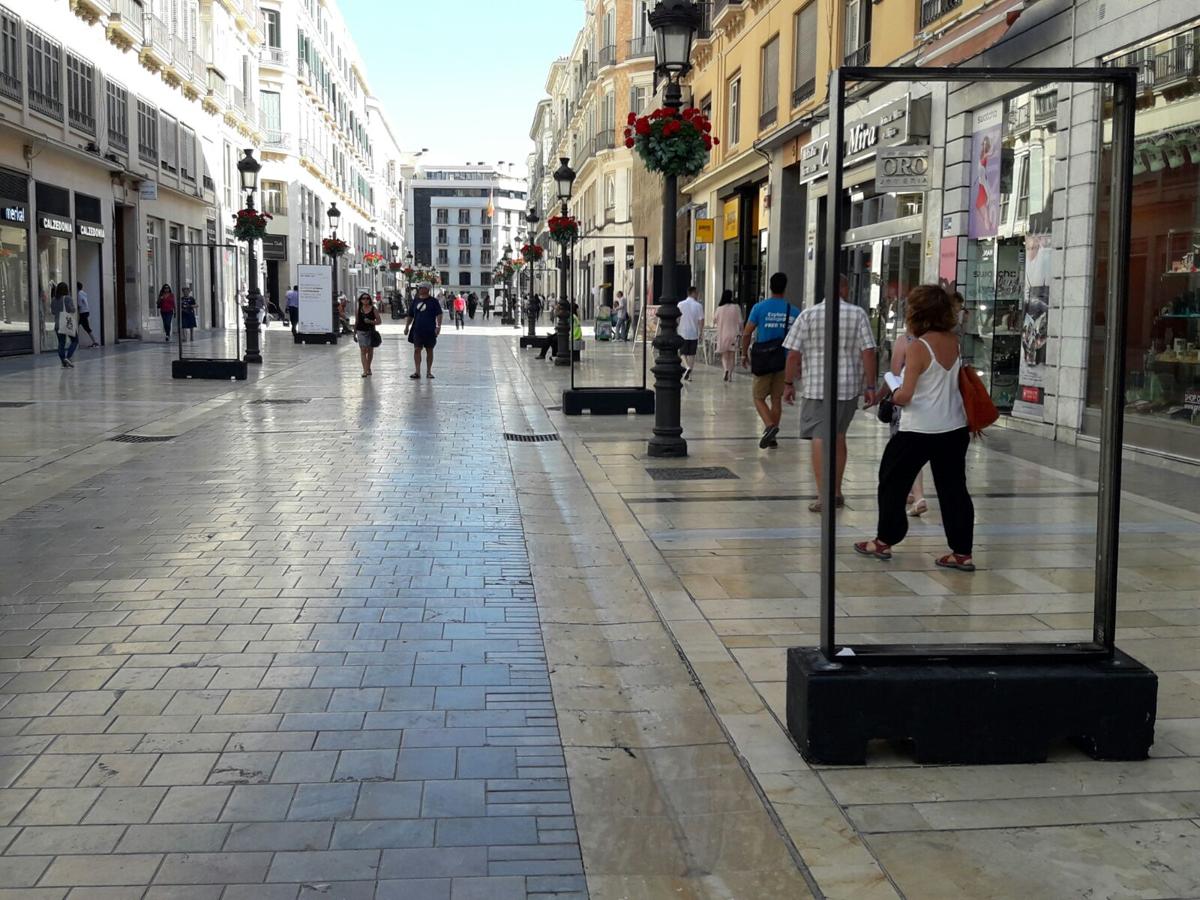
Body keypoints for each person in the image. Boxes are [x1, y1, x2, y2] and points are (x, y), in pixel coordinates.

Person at [854, 285, 975, 571]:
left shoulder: (918, 347)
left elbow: (905, 395)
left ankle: (885, 539)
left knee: (892, 482)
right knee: (954, 489)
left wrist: (892, 391)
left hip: (918, 429)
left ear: (917, 312)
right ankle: (962, 552)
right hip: (953, 428)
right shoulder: (953, 341)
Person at [782, 274, 878, 512]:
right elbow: (868, 352)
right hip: (847, 388)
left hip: (816, 388)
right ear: (844, 288)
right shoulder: (858, 314)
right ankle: (835, 491)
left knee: (819, 437)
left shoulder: (808, 315)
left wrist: (788, 383)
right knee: (838, 435)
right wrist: (870, 386)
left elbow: (793, 354)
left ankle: (823, 494)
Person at [741, 273, 802, 449]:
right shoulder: (794, 311)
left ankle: (769, 427)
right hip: (783, 361)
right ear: (785, 288)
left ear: (770, 286)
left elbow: (747, 333)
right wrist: (798, 365)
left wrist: (744, 353)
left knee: (758, 397)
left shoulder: (759, 308)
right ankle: (773, 437)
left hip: (763, 360)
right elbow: (800, 341)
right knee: (776, 399)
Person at [406, 283, 442, 379]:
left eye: (422, 287)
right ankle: (417, 371)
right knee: (417, 349)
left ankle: (429, 372)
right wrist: (406, 327)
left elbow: (439, 314)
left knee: (429, 350)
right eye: (419, 287)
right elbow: (410, 315)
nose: (420, 289)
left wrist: (438, 326)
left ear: (427, 289)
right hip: (417, 329)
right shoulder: (415, 301)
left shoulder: (434, 301)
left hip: (430, 329)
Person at [714, 289, 742, 382]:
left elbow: (714, 320)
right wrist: (741, 331)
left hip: (722, 334)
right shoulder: (736, 307)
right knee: (732, 355)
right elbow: (740, 321)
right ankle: (730, 375)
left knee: (725, 355)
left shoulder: (719, 308)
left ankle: (725, 369)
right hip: (734, 334)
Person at [678, 286, 704, 380]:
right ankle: (689, 374)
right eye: (696, 293)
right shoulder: (698, 306)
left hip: (682, 332)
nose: (697, 295)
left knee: (682, 353)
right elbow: (701, 320)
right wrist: (701, 332)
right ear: (693, 293)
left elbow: (677, 318)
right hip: (693, 333)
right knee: (692, 354)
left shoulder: (680, 304)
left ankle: (686, 367)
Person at [51, 282, 79, 368]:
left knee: (61, 343)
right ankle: (68, 357)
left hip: (57, 324)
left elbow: (53, 312)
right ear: (66, 289)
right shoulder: (67, 298)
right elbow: (72, 310)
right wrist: (74, 308)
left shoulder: (54, 300)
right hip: (67, 323)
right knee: (75, 340)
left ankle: (63, 361)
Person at [354, 292, 381, 378]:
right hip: (360, 331)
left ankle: (368, 367)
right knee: (363, 350)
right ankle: (365, 371)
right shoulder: (358, 309)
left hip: (370, 331)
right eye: (363, 298)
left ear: (369, 300)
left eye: (367, 298)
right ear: (361, 300)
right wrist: (354, 333)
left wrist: (370, 322)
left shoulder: (373, 309)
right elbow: (357, 321)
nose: (365, 300)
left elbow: (379, 321)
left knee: (369, 351)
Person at [76, 282, 99, 348]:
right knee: (82, 327)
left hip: (82, 312)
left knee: (86, 328)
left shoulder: (79, 294)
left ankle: (95, 342)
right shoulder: (84, 293)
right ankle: (95, 341)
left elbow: (80, 304)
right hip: (86, 311)